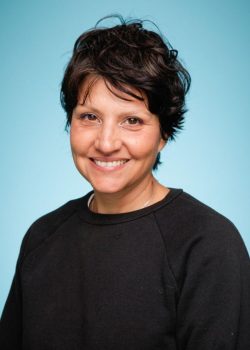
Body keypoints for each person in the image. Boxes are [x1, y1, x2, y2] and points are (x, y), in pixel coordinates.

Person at [0, 15, 249, 350]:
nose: (106, 142)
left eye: (132, 120)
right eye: (89, 117)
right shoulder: (42, 238)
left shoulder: (208, 246)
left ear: (163, 134)